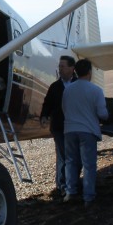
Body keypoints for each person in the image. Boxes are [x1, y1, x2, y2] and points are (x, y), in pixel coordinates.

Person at [61, 58, 109, 207]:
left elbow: (64, 109)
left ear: (75, 71)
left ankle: (70, 192)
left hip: (69, 129)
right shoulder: (96, 90)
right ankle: (88, 196)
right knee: (88, 165)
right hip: (87, 130)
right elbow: (102, 114)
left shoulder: (67, 90)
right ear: (89, 72)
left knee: (70, 162)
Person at [40, 55, 76, 197]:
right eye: (59, 66)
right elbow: (47, 103)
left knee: (73, 155)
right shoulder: (55, 87)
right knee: (63, 155)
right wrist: (44, 116)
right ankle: (62, 186)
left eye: (63, 66)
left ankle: (71, 183)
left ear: (72, 68)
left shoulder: (78, 84)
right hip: (59, 126)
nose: (60, 69)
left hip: (75, 126)